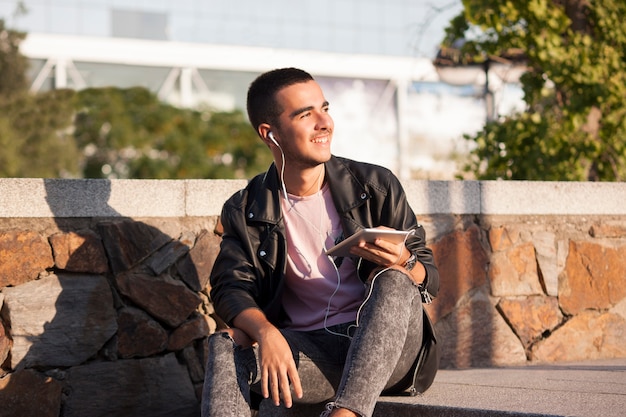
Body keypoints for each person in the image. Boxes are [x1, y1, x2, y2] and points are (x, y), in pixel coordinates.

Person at [202, 67, 439, 417]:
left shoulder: (376, 186)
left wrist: (404, 260)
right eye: (305, 114)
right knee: (225, 343)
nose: (324, 122)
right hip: (313, 353)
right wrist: (266, 332)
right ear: (271, 134)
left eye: (324, 108)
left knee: (393, 279)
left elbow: (429, 278)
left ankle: (347, 414)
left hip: (392, 351)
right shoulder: (245, 208)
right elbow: (229, 288)